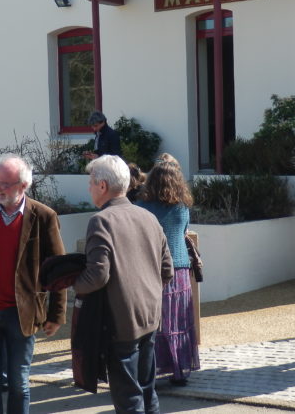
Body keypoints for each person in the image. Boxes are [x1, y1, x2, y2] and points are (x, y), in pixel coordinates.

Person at [0, 155, 66, 414]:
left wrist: (56, 314)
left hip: (23, 314)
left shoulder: (43, 216)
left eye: (5, 184)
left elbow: (59, 270)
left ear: (23, 185)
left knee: (19, 384)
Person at [74, 155, 173, 413]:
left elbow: (97, 276)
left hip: (121, 322)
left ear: (103, 186)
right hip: (150, 316)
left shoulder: (101, 221)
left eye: (91, 182)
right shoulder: (148, 216)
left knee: (129, 397)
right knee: (147, 390)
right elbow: (167, 269)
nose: (89, 188)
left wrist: (74, 284)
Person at [136, 160, 200, 386]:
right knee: (179, 321)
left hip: (152, 269)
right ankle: (179, 371)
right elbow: (184, 232)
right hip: (180, 268)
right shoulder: (182, 207)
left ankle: (150, 370)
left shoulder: (143, 207)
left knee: (153, 323)